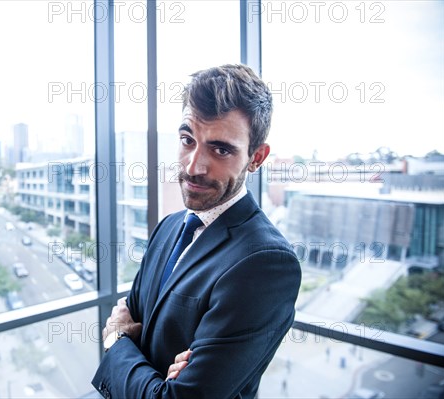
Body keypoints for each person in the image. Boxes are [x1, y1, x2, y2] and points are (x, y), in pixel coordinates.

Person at [91, 64, 301, 398]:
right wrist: (159, 380)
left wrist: (117, 342)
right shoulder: (169, 227)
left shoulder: (265, 262)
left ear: (256, 157)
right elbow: (131, 316)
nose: (193, 166)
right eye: (188, 140)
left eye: (220, 149)